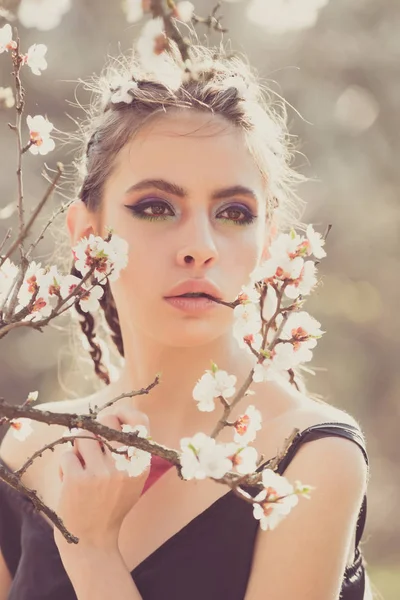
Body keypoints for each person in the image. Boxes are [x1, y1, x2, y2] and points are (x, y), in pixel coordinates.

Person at [0, 40, 371, 600]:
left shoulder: (311, 459)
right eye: (156, 207)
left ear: (267, 245)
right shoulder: (24, 450)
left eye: (233, 213)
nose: (200, 247)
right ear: (87, 237)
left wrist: (92, 550)